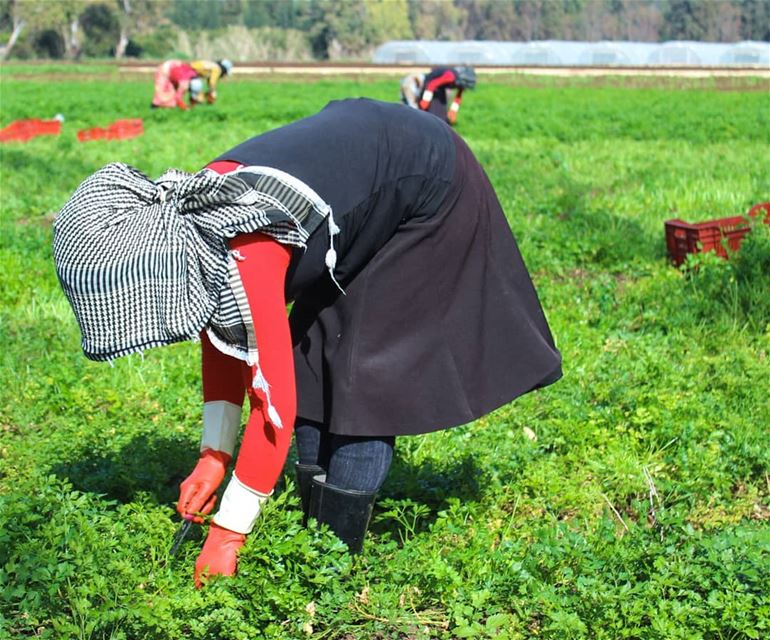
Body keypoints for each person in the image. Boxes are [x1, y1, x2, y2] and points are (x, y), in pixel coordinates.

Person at [53, 98, 562, 587]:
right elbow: (225, 339)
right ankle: (313, 534)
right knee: (316, 352)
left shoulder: (243, 243)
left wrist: (229, 533)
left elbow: (273, 404)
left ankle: (333, 564)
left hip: (428, 182)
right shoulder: (185, 223)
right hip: (363, 171)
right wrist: (214, 456)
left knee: (366, 373)